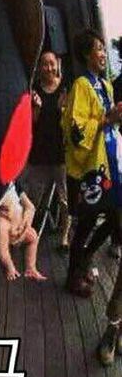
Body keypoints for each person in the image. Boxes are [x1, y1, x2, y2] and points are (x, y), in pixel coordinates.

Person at [61, 29, 122, 297]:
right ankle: (73, 276)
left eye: (103, 48)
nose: (103, 54)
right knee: (87, 223)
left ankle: (84, 260)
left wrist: (114, 118)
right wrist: (107, 119)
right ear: (87, 54)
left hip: (108, 164)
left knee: (115, 218)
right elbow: (74, 128)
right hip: (89, 168)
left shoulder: (106, 85)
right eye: (98, 48)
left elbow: (109, 123)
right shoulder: (81, 85)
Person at [23, 50, 70, 250]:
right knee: (33, 198)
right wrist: (37, 108)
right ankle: (27, 233)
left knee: (65, 199)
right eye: (45, 64)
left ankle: (64, 236)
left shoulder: (66, 89)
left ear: (57, 65)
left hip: (61, 154)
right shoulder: (33, 90)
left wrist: (63, 110)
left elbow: (71, 123)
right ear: (39, 67)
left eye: (52, 63)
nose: (49, 68)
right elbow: (30, 124)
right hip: (39, 153)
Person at [0, 184, 47, 282]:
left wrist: (24, 226)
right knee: (2, 246)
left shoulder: (13, 184)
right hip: (4, 220)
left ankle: (30, 267)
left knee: (33, 237)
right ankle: (9, 266)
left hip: (19, 223)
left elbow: (30, 208)